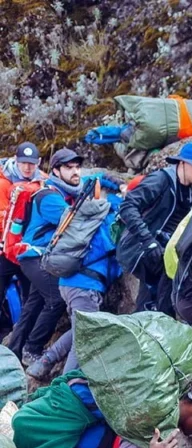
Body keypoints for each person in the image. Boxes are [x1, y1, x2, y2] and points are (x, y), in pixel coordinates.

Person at [25, 183, 123, 380]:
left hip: (68, 282)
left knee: (81, 329)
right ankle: (65, 385)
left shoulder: (88, 216)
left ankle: (44, 362)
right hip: (85, 286)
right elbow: (114, 251)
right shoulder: (110, 219)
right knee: (85, 339)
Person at [117, 142, 192, 316]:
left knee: (157, 299)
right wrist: (148, 241)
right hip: (139, 248)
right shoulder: (160, 180)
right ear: (182, 163)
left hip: (164, 252)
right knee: (159, 298)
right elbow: (127, 206)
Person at [9, 149, 83, 368]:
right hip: (34, 256)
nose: (75, 172)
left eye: (77, 167)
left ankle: (14, 350)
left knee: (34, 303)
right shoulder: (50, 197)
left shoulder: (63, 189)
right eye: (69, 168)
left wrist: (112, 180)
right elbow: (72, 220)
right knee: (56, 298)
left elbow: (89, 180)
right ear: (56, 171)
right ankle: (32, 349)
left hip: (35, 256)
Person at [0, 142, 45, 342]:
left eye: (32, 164)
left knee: (31, 297)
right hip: (5, 250)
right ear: (16, 161)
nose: (28, 167)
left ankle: (21, 338)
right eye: (24, 163)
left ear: (39, 163)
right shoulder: (3, 184)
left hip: (27, 251)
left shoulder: (43, 183)